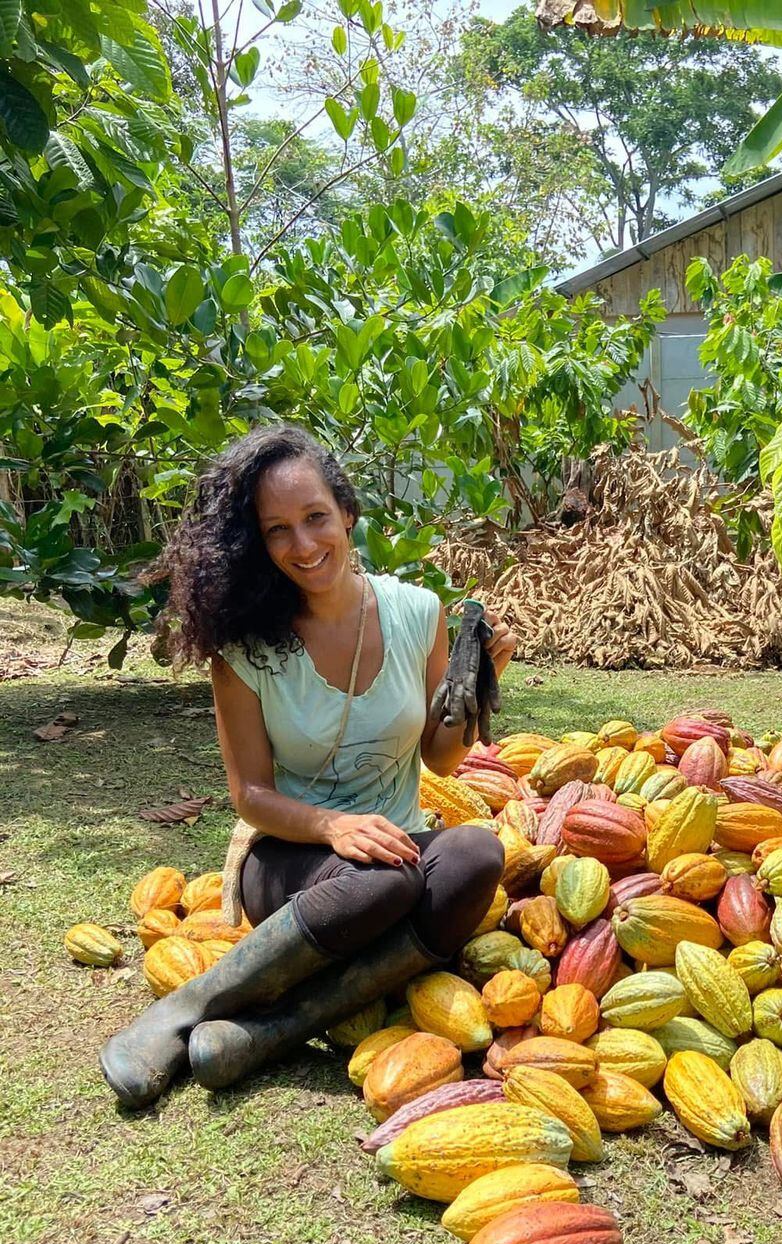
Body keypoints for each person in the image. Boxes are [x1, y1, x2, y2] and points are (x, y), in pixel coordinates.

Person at [100, 424, 512, 1110]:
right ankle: (180, 1012)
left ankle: (272, 1033)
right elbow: (251, 795)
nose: (304, 544)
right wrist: (332, 826)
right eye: (277, 530)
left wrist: (476, 693)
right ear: (257, 543)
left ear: (347, 513)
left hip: (394, 854)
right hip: (288, 860)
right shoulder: (246, 648)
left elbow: (438, 756)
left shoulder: (417, 612)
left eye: (316, 518)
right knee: (384, 879)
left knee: (473, 853)